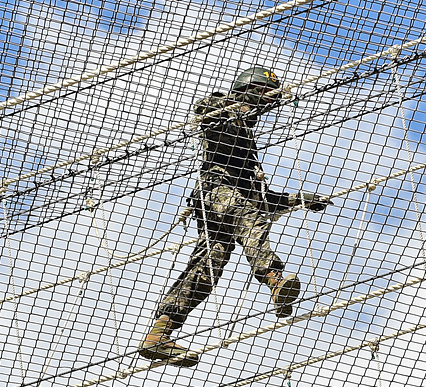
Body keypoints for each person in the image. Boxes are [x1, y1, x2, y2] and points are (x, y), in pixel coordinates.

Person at [138, 66, 331, 367]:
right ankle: (274, 279)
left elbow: (264, 200)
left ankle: (159, 334)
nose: (269, 105)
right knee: (249, 217)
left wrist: (300, 199)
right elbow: (205, 110)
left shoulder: (247, 145)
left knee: (206, 268)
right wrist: (244, 107)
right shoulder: (222, 108)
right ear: (251, 90)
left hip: (223, 208)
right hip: (217, 193)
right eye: (266, 96)